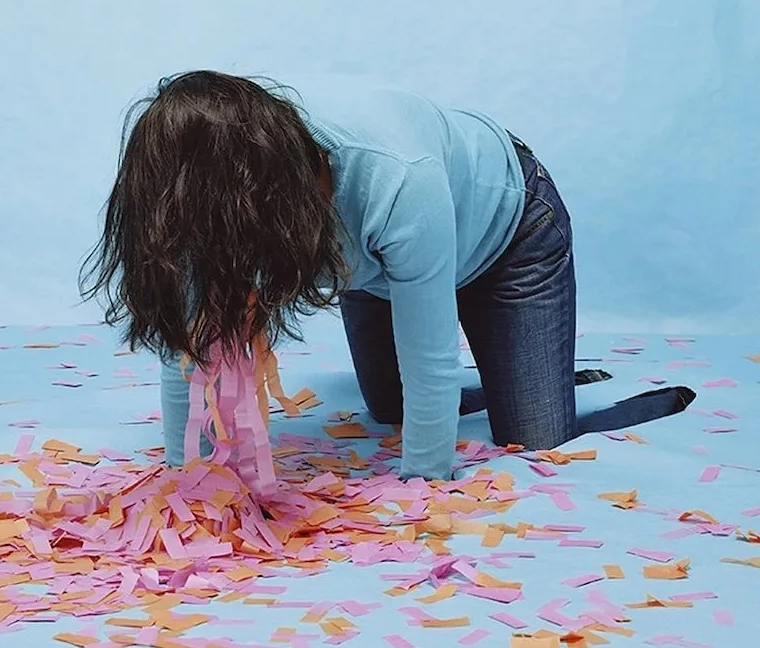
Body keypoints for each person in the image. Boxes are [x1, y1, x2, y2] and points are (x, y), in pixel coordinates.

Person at [80, 70, 694, 481]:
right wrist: (186, 476)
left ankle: (580, 389)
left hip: (508, 235)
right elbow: (188, 347)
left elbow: (428, 356)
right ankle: (510, 373)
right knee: (390, 409)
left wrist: (422, 486)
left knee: (531, 436)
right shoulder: (213, 198)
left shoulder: (397, 178)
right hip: (380, 267)